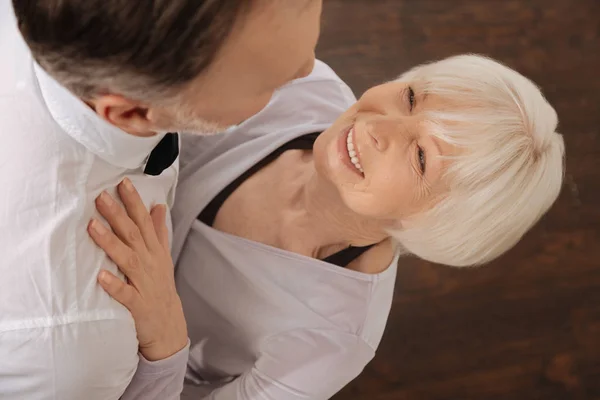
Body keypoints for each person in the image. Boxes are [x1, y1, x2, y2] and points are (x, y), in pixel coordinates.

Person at [90, 55, 565, 399]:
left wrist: (165, 342)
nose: (380, 124)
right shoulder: (297, 84)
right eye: (412, 97)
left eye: (421, 157)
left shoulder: (334, 339)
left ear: (437, 225)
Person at [0, 0, 322, 398]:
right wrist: (167, 353)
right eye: (267, 84)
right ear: (132, 113)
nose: (309, 66)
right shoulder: (73, 347)